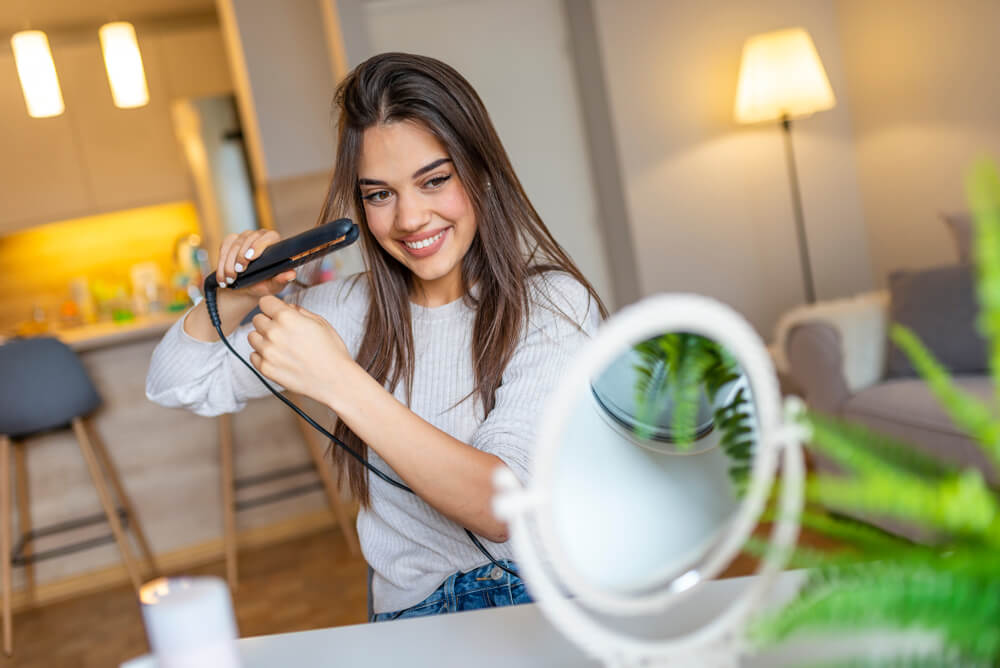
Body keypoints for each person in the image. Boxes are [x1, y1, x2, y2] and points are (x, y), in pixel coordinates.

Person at [146, 52, 606, 622]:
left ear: (480, 171)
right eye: (380, 194)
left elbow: (501, 507)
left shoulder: (554, 304)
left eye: (434, 180)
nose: (410, 218)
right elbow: (176, 383)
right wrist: (238, 294)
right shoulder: (343, 309)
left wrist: (338, 380)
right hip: (411, 615)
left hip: (545, 598)